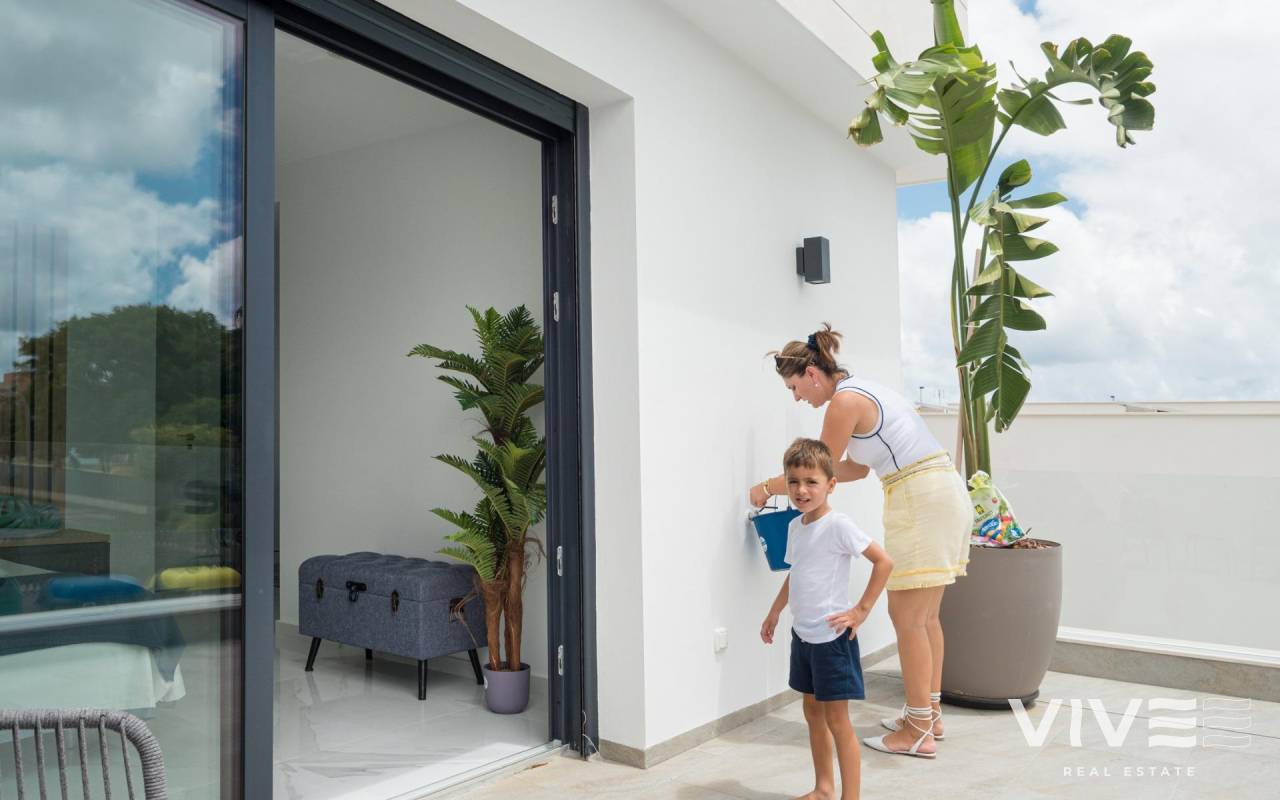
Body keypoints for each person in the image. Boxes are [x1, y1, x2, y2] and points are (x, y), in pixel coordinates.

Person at [750, 325, 972, 758]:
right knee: (926, 617)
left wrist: (766, 488)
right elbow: (852, 469)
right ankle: (928, 715)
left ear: (812, 374)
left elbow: (816, 469)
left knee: (908, 617)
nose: (797, 398)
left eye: (795, 387)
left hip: (919, 497)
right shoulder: (864, 390)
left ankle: (918, 732)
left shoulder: (843, 403)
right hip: (941, 490)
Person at [761, 438, 894, 799]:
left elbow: (883, 562)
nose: (801, 490)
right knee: (812, 712)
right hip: (803, 636)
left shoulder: (839, 525)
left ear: (831, 485)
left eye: (811, 482)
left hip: (832, 640)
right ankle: (823, 788)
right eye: (793, 481)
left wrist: (861, 610)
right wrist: (775, 610)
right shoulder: (796, 526)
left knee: (838, 720)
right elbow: (797, 572)